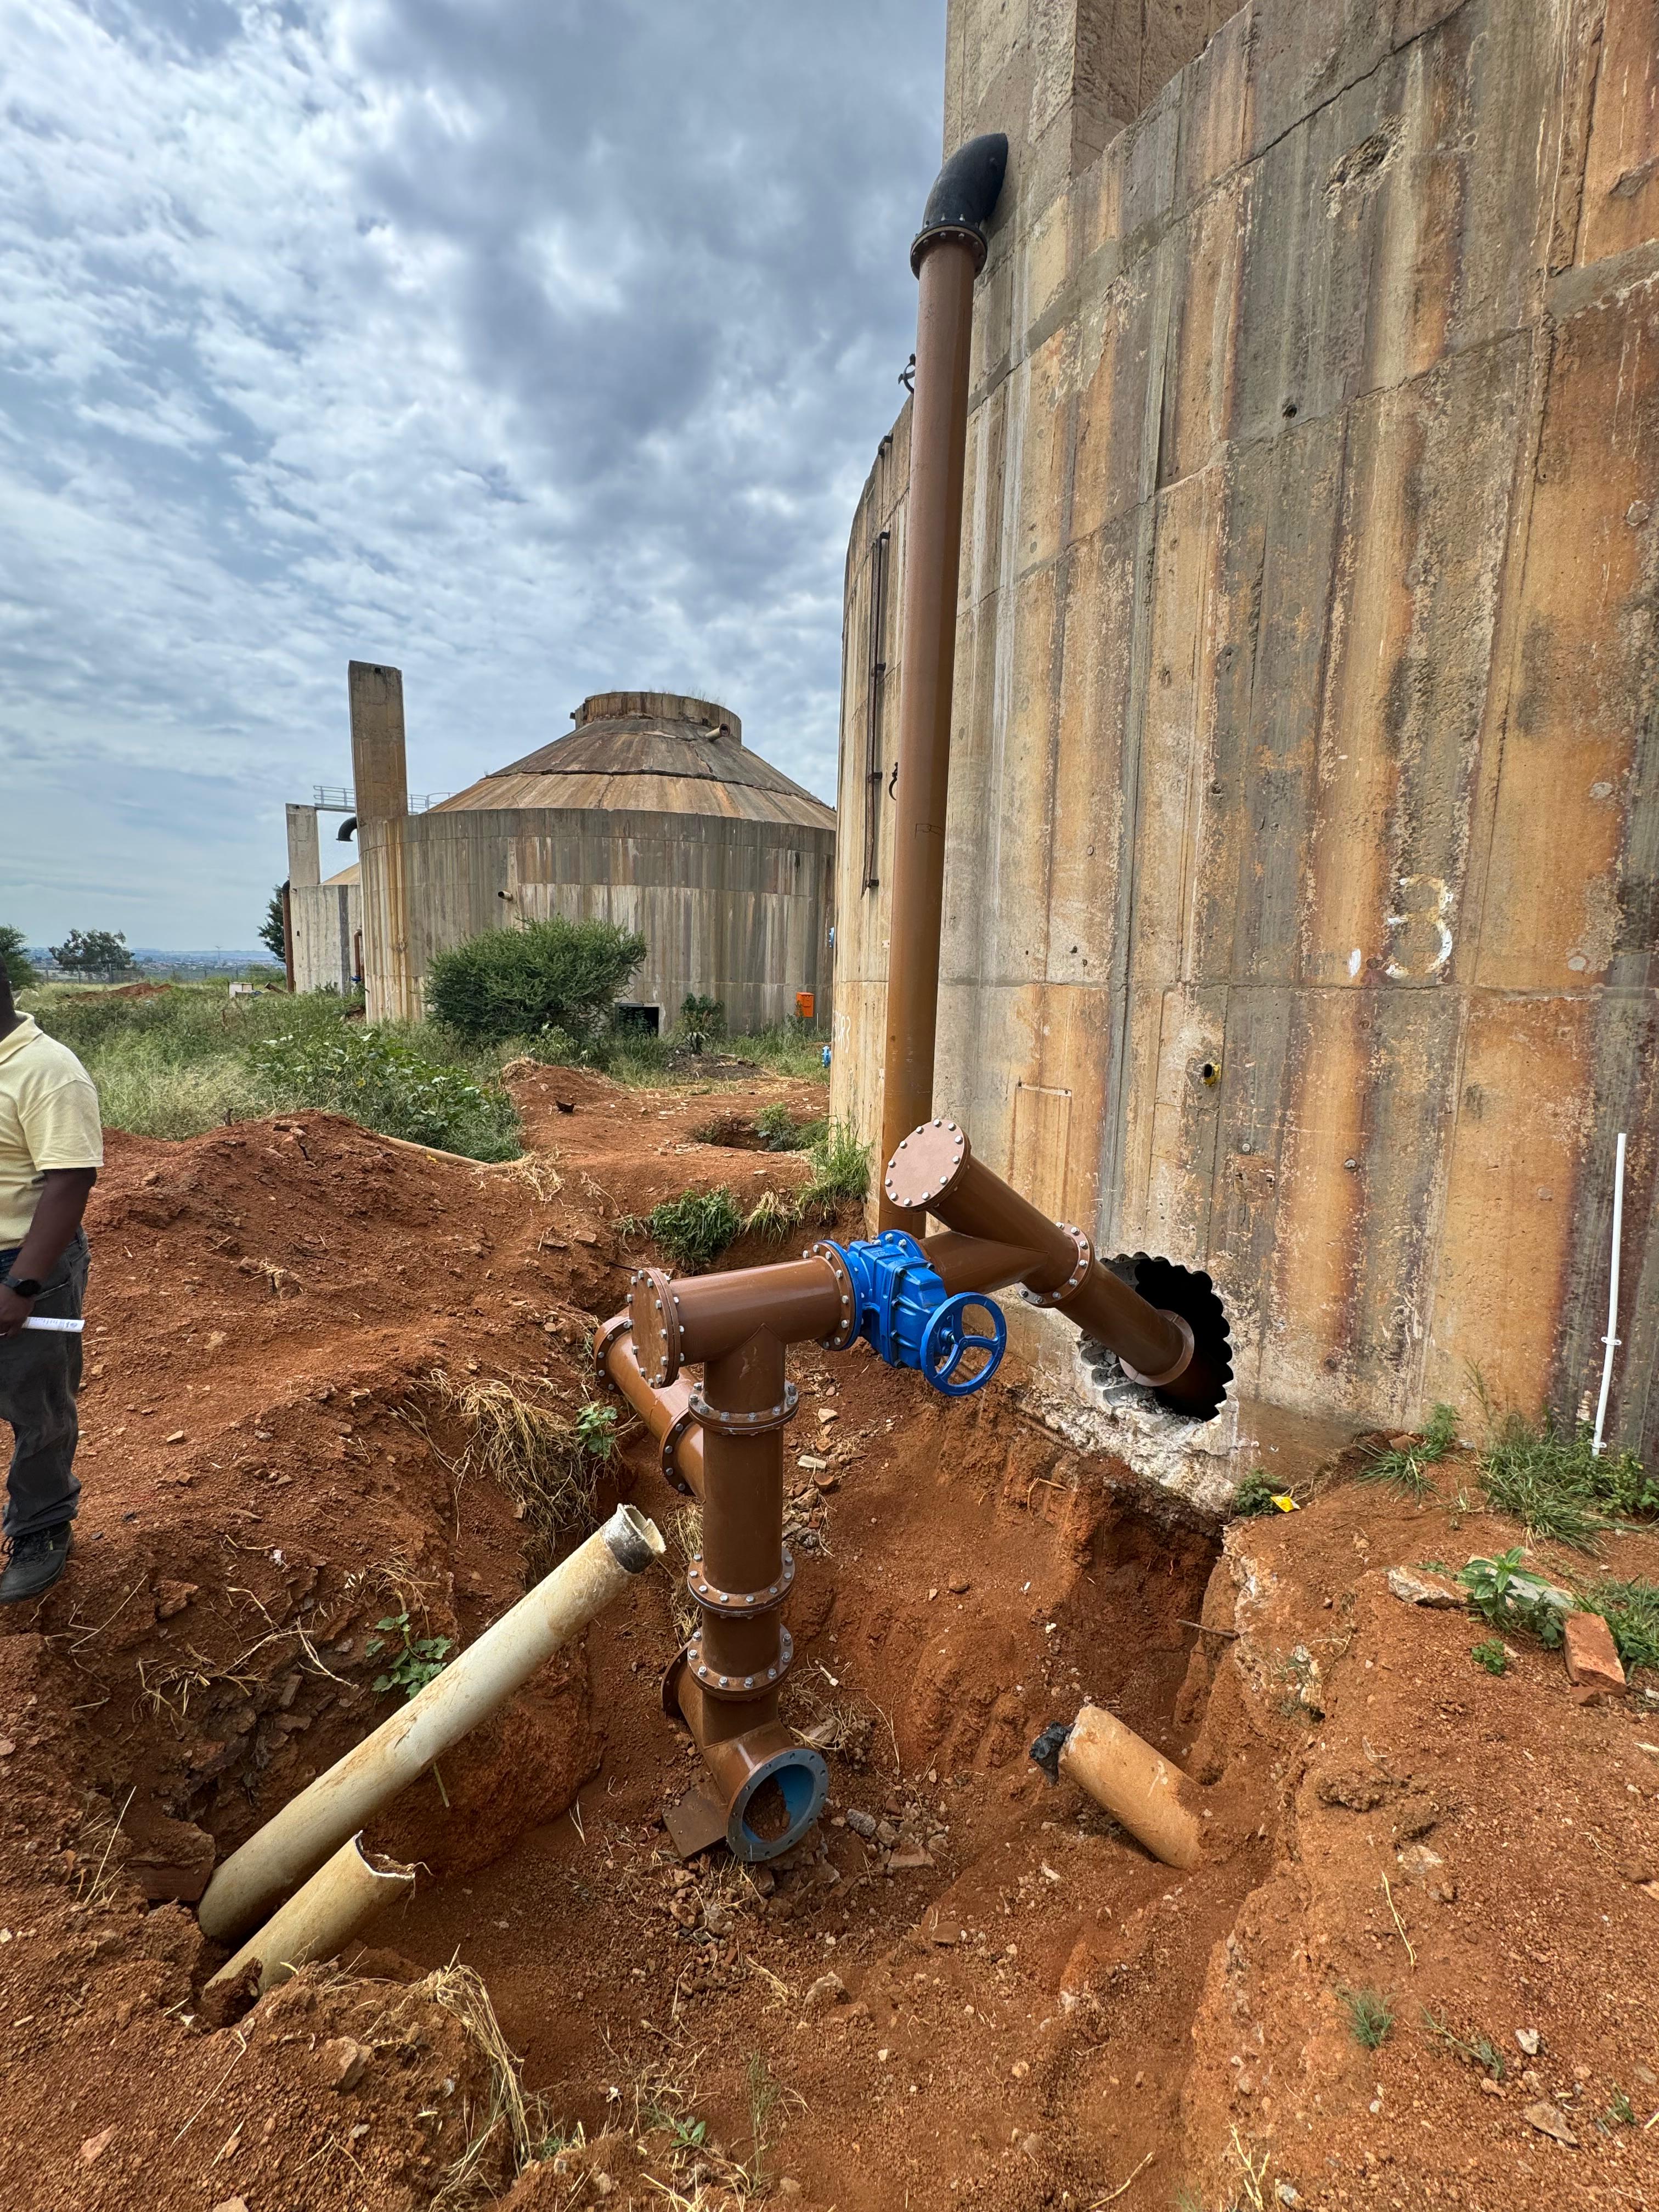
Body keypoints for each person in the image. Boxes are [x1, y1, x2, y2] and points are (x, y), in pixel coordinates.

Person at [0, 961, 101, 1602]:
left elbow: (70, 1181)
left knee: (35, 1405)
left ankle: (41, 1527)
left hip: (22, 1261)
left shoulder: (48, 1071)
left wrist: (21, 1286)